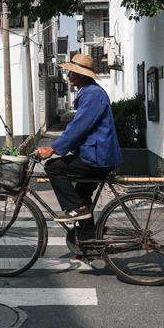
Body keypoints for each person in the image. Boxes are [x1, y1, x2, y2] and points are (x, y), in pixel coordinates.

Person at [36, 52, 122, 222]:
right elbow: (79, 129)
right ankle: (87, 237)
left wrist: (53, 149)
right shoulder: (91, 92)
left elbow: (78, 128)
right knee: (81, 194)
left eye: (72, 72)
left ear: (82, 75)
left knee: (54, 167)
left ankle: (75, 209)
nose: (69, 76)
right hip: (98, 154)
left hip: (98, 157)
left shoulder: (92, 94)